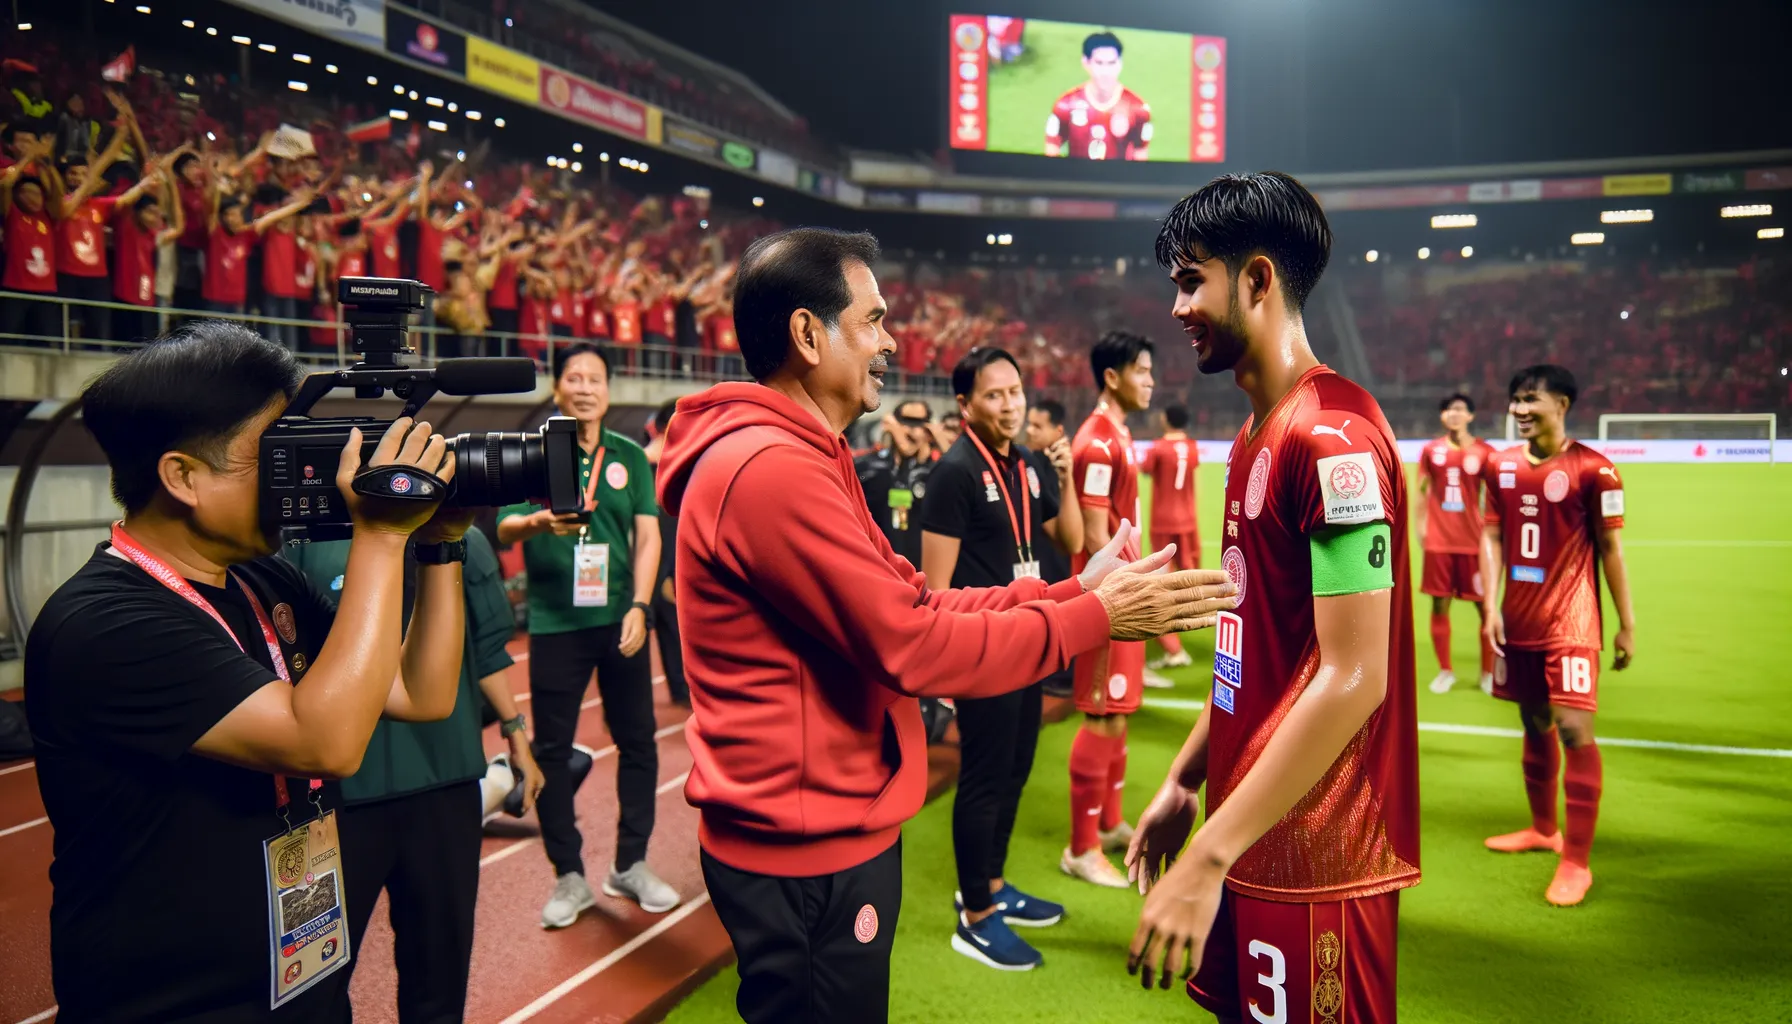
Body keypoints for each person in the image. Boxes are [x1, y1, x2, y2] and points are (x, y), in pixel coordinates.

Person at [656, 226, 1236, 1023]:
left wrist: (1076, 591)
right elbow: (914, 644)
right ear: (808, 335)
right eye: (874, 320)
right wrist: (1095, 616)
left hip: (823, 828)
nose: (891, 342)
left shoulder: (805, 453)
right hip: (805, 848)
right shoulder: (771, 468)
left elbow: (918, 604)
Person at [23, 320, 471, 1019]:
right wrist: (382, 534)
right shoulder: (105, 622)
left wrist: (439, 544)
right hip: (173, 1007)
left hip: (303, 983)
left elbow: (421, 692)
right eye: (275, 454)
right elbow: (325, 744)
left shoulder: (263, 579)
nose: (299, 474)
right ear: (183, 477)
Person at [1126, 172, 1419, 1021]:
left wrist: (1207, 856)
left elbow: (1356, 675)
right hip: (1250, 826)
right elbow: (1250, 648)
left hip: (1319, 854)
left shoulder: (1334, 437)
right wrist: (1186, 779)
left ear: (1256, 279)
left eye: (1192, 281)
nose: (1177, 307)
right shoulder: (1258, 433)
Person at [283, 524, 543, 1022]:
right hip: (334, 802)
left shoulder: (458, 536)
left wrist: (517, 736)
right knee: (315, 984)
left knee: (440, 977)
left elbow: (487, 649)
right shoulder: (306, 541)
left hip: (444, 785)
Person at [496, 343, 677, 927]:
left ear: (608, 390)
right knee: (551, 751)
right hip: (555, 624)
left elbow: (648, 538)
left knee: (639, 742)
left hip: (620, 621)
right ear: (557, 389)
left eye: (594, 378)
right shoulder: (532, 452)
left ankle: (631, 863)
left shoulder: (630, 457)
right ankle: (568, 876)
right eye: (573, 378)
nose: (584, 388)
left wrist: (641, 606)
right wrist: (537, 521)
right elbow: (503, 528)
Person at [919, 346, 1085, 971]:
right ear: (965, 405)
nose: (1010, 405)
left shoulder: (1030, 465)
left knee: (1015, 770)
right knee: (985, 779)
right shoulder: (955, 472)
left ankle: (991, 884)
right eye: (994, 395)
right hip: (984, 650)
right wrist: (944, 670)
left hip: (1028, 641)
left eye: (1015, 391)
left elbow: (1071, 540)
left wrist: (1067, 479)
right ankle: (975, 916)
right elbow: (936, 589)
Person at [1479, 365, 1634, 908]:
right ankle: (1544, 829)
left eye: (1530, 399)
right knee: (1533, 720)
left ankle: (1576, 863)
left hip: (1572, 621)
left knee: (1572, 729)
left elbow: (1611, 550)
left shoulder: (1596, 469)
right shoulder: (1498, 465)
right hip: (1518, 618)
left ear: (1562, 404)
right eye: (1514, 400)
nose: (1518, 409)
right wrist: (1489, 604)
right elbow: (1491, 537)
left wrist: (1626, 624)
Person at [1062, 329, 1156, 887]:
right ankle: (1080, 848)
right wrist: (1129, 590)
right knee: (1101, 714)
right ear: (1112, 377)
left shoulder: (1116, 432)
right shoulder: (1097, 442)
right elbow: (1097, 536)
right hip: (1109, 599)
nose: (1151, 381)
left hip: (1128, 592)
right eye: (1141, 371)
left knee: (1117, 712)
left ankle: (1110, 820)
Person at [1416, 392, 1499, 694]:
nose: (1453, 413)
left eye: (1460, 409)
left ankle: (1487, 674)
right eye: (1448, 409)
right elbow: (1422, 492)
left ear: (1470, 416)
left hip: (1474, 543)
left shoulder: (1486, 453)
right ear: (1442, 416)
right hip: (1439, 542)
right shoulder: (1430, 451)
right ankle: (1445, 671)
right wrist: (1421, 529)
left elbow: (1497, 497)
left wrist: (1494, 536)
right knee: (1440, 605)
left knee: (1485, 608)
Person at [1025, 397, 1080, 698]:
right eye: (1029, 424)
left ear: (1057, 431)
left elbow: (1050, 520)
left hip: (1056, 554)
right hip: (1050, 554)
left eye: (1037, 426)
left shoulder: (1047, 464)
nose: (1029, 430)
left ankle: (1062, 676)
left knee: (1058, 613)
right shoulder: (1040, 460)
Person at [1143, 404, 1201, 677]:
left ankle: (1172, 645)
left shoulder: (1158, 448)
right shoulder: (1192, 447)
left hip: (1163, 519)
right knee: (1187, 570)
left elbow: (1145, 468)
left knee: (1161, 578)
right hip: (1187, 518)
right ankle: (1189, 616)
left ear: (1166, 419)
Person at [642, 398, 690, 707]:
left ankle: (681, 690)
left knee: (674, 633)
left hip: (666, 569)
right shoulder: (639, 468)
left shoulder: (675, 470)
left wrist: (672, 572)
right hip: (642, 570)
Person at [855, 397, 938, 566]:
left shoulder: (935, 472)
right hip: (876, 563)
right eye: (906, 421)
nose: (912, 430)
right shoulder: (868, 467)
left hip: (918, 568)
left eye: (919, 423)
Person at [1045, 31, 1152, 161]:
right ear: (1086, 63)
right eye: (1099, 63)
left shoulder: (1137, 108)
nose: (1106, 72)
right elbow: (1052, 148)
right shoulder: (1066, 105)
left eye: (1111, 63)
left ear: (1120, 64)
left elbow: (1140, 155)